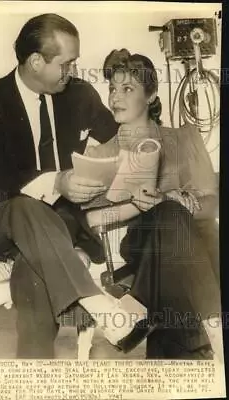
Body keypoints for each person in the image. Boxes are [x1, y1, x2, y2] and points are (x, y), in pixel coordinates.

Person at [0, 15, 148, 359]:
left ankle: (35, 370)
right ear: (35, 62)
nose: (72, 71)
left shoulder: (78, 95)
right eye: (66, 63)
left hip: (54, 231)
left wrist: (125, 162)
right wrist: (57, 181)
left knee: (34, 273)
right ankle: (96, 301)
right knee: (25, 206)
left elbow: (121, 134)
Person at [85, 49, 222, 359]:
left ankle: (143, 316)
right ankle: (213, 326)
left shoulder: (184, 139)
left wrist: (180, 204)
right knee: (169, 213)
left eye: (127, 89)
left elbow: (213, 206)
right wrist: (141, 204)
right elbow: (90, 220)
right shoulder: (99, 155)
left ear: (150, 95)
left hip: (189, 248)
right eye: (112, 89)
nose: (115, 98)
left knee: (176, 219)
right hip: (140, 245)